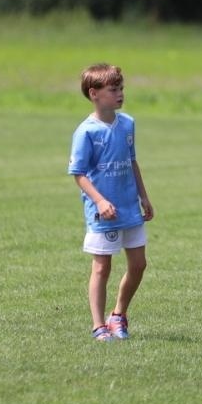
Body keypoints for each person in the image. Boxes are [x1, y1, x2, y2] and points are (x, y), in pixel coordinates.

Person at [68, 63, 154, 341]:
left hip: (129, 206)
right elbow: (79, 174)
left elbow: (132, 161)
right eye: (113, 89)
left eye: (121, 89)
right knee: (102, 267)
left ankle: (118, 315)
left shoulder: (127, 123)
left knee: (139, 264)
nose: (120, 94)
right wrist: (100, 201)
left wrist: (144, 196)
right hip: (104, 212)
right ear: (94, 93)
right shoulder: (86, 132)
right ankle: (98, 325)